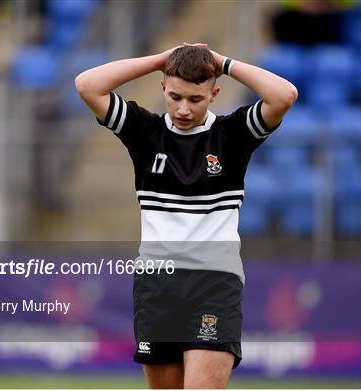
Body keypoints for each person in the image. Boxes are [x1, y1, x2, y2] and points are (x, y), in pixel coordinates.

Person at [75, 43, 297, 389]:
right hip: (157, 285)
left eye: (195, 99)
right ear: (163, 87)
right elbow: (87, 84)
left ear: (214, 93)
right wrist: (159, 61)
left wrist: (222, 61)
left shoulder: (232, 135)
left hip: (214, 284)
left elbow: (284, 95)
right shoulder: (144, 132)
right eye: (175, 96)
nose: (182, 109)